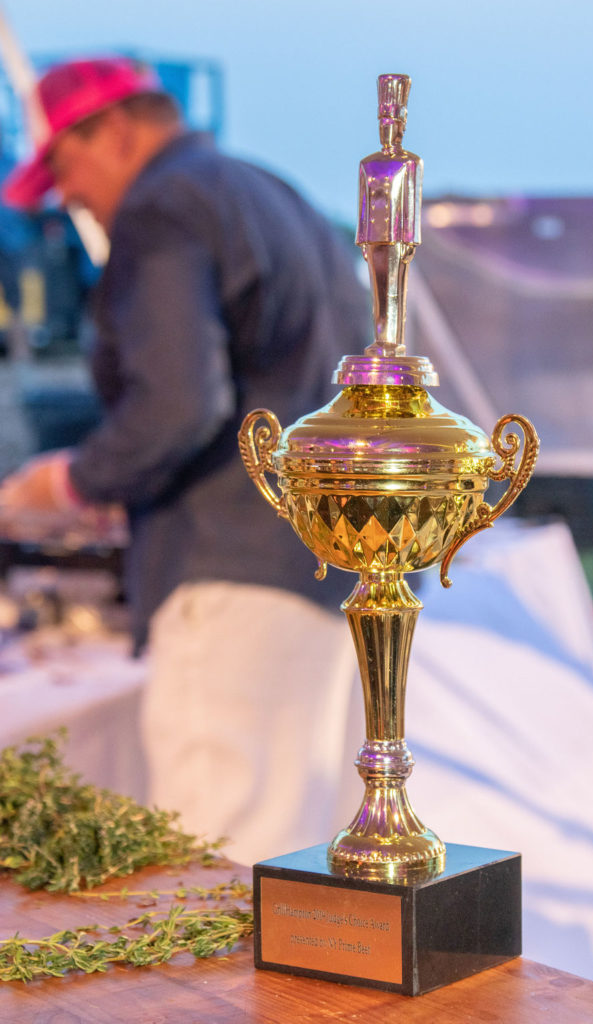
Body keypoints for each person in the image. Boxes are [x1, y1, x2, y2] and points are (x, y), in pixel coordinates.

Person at [0, 56, 370, 859]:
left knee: (214, 862)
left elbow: (177, 404)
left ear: (115, 131)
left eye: (62, 167)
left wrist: (68, 481)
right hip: (328, 559)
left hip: (232, 566)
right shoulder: (271, 193)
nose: (65, 196)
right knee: (310, 857)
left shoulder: (161, 207)